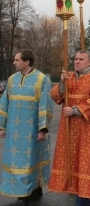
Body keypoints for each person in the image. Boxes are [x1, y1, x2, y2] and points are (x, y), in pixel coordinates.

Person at [49, 50, 90, 206]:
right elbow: (56, 96)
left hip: (86, 129)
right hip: (68, 129)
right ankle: (77, 197)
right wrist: (62, 83)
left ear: (89, 62)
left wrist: (75, 110)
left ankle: (82, 201)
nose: (77, 62)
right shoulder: (69, 77)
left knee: (84, 164)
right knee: (71, 164)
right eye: (75, 59)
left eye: (81, 59)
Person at [0, 49, 54, 204]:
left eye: (17, 60)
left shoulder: (41, 79)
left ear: (27, 62)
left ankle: (32, 192)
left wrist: (42, 129)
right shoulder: (12, 79)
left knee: (30, 161)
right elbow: (4, 103)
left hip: (31, 130)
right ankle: (23, 193)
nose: (14, 62)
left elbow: (45, 105)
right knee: (16, 162)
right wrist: (1, 126)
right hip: (13, 130)